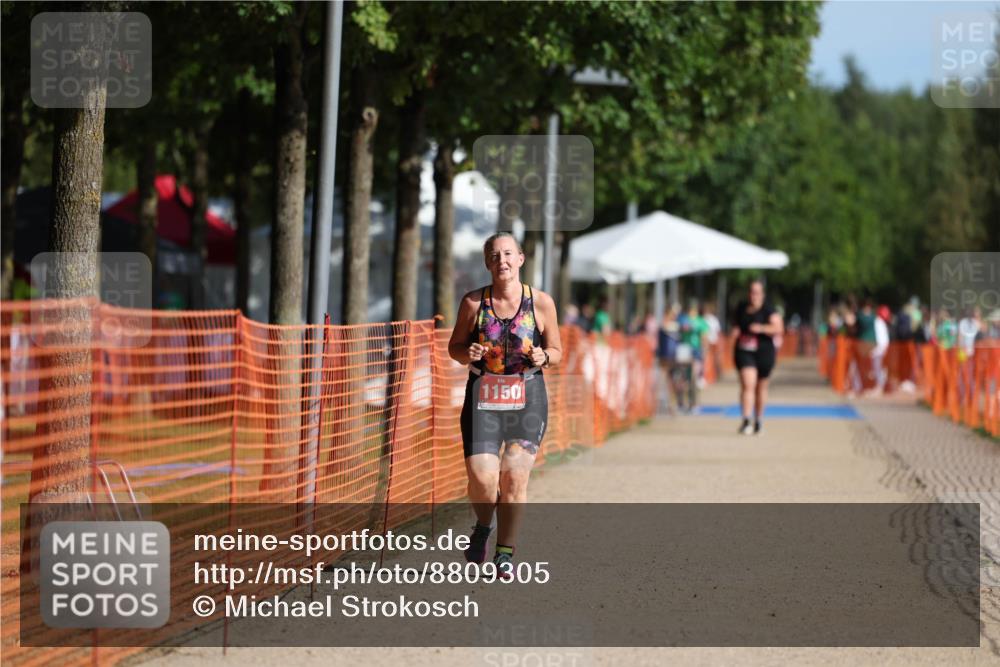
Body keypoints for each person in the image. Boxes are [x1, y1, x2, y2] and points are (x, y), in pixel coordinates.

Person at [448, 232, 562, 577]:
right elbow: (454, 347)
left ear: (521, 259)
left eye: (508, 254)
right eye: (495, 256)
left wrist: (545, 355)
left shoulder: (540, 303)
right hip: (484, 398)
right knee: (483, 479)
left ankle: (505, 552)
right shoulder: (472, 304)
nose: (503, 261)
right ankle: (483, 527)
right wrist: (465, 352)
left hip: (528, 397)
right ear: (487, 263)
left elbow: (556, 351)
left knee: (513, 474)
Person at [732, 280, 783, 435]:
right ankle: (746, 420)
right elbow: (735, 326)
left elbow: (778, 328)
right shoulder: (741, 308)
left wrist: (761, 328)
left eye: (757, 292)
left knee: (761, 387)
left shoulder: (769, 309)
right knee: (748, 384)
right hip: (744, 351)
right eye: (751, 292)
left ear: (762, 294)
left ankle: (758, 420)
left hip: (764, 352)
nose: (753, 295)